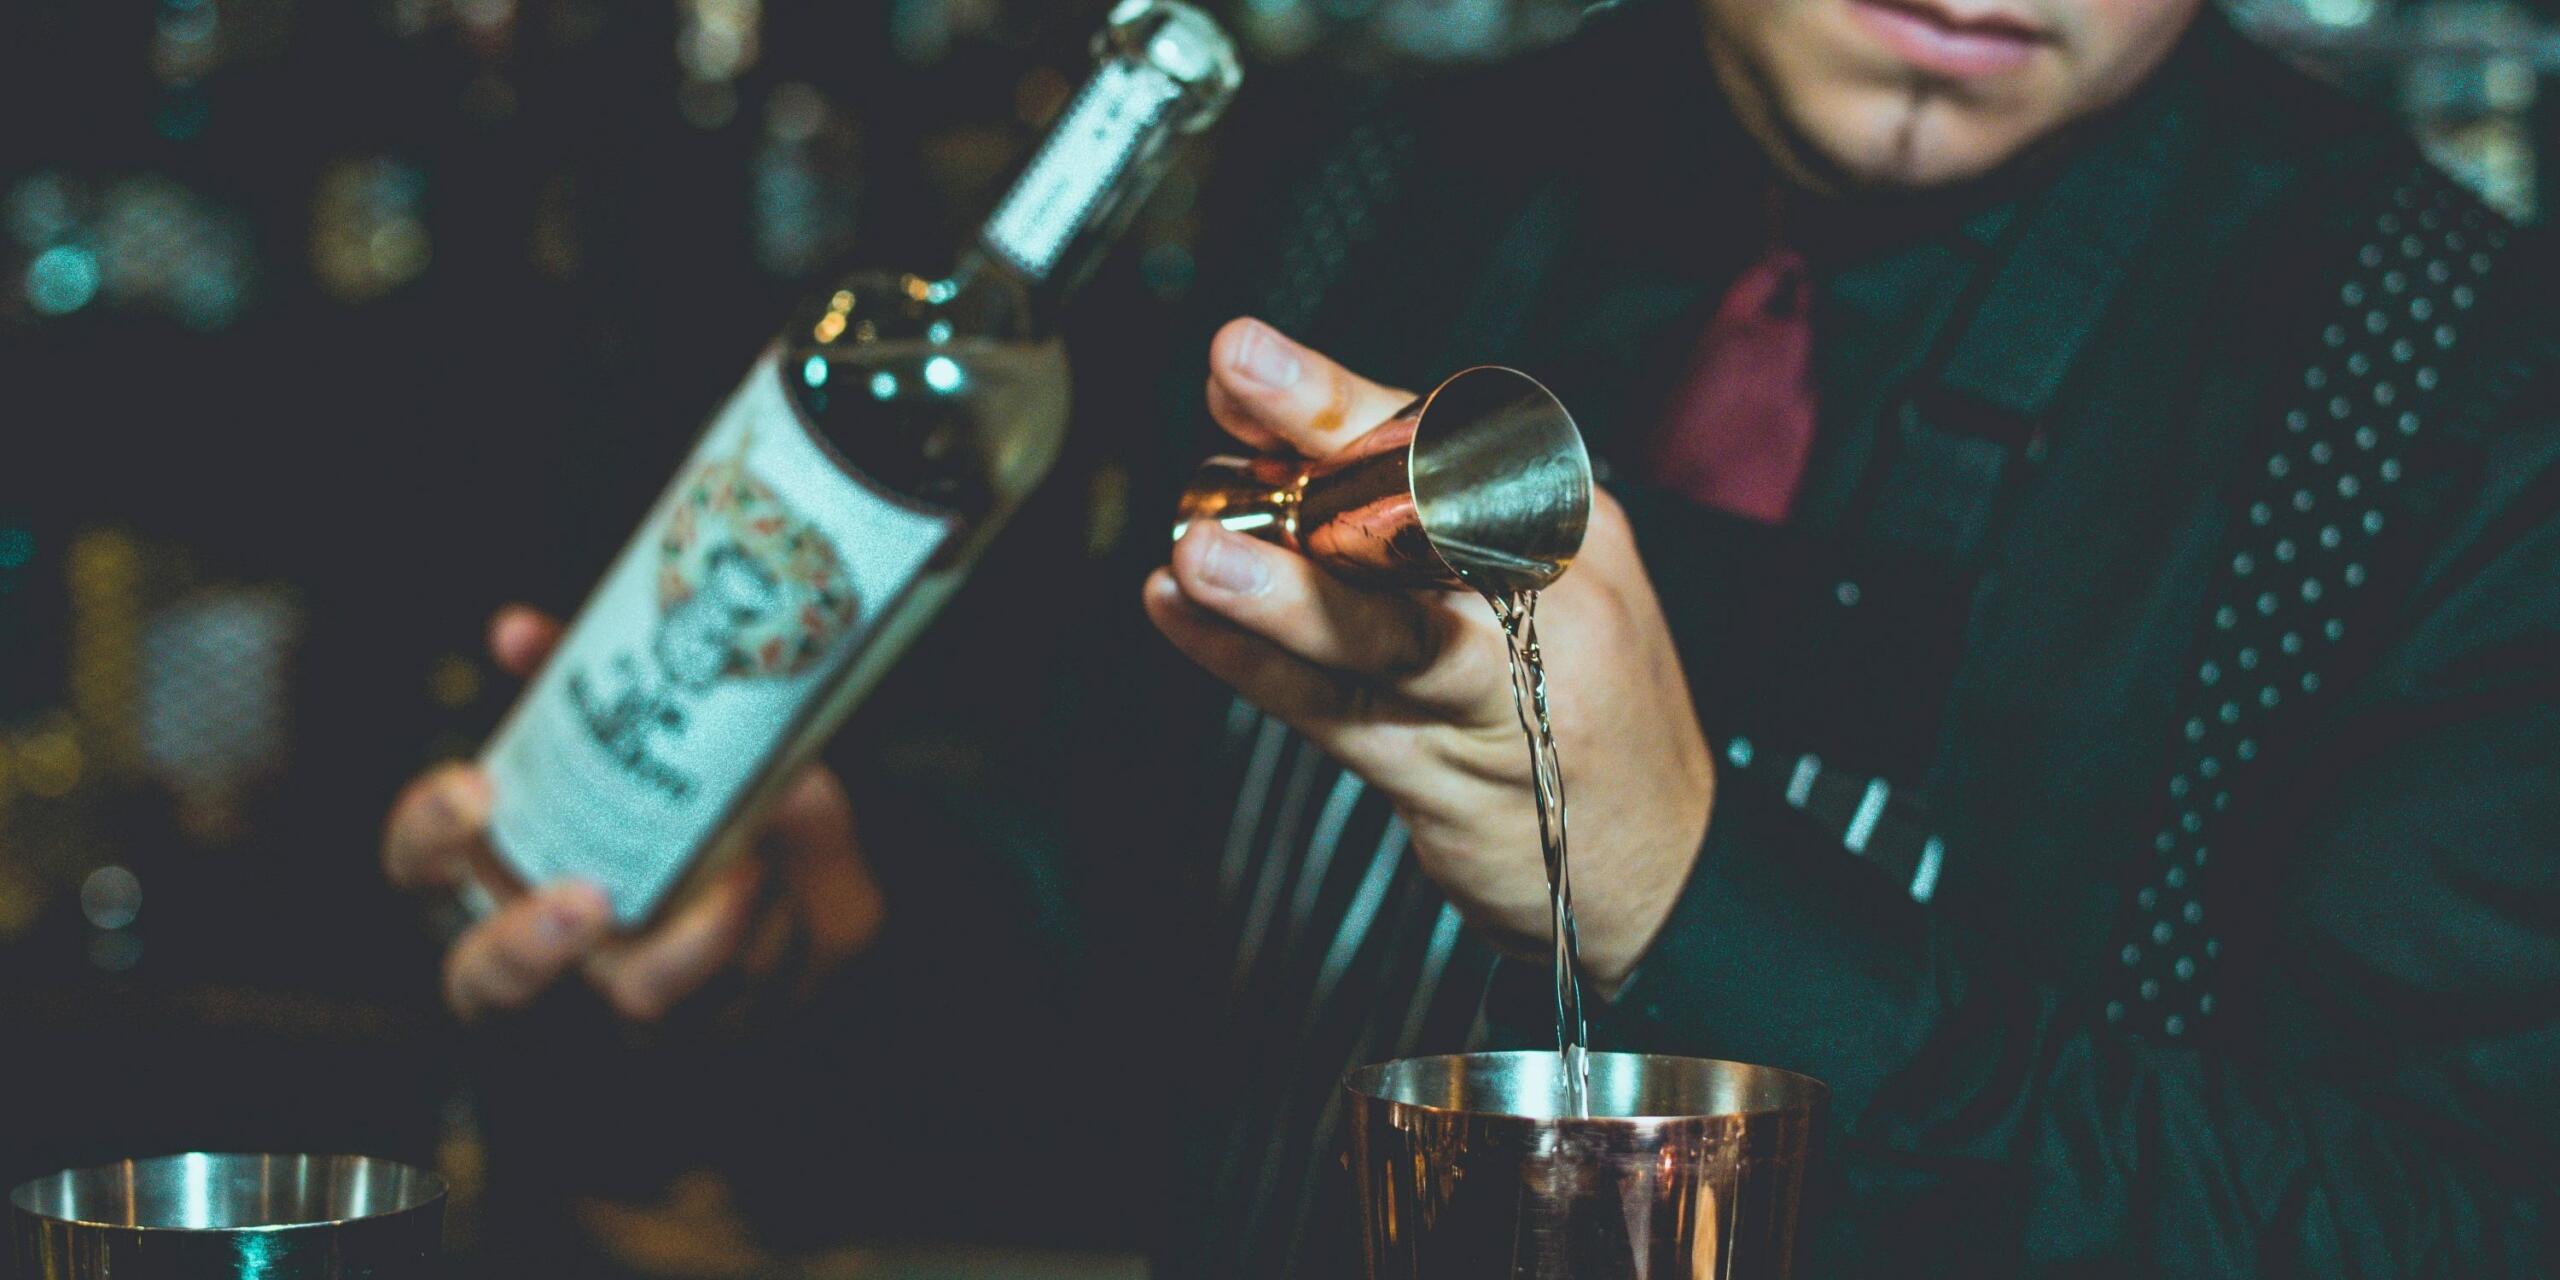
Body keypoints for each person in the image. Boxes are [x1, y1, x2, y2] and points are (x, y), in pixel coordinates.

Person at [383, 0, 2560, 1273]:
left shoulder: (2441, 392)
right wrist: (851, 929)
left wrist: (1694, 899)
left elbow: (2441, 1218)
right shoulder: (1376, 192)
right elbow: (1135, 948)